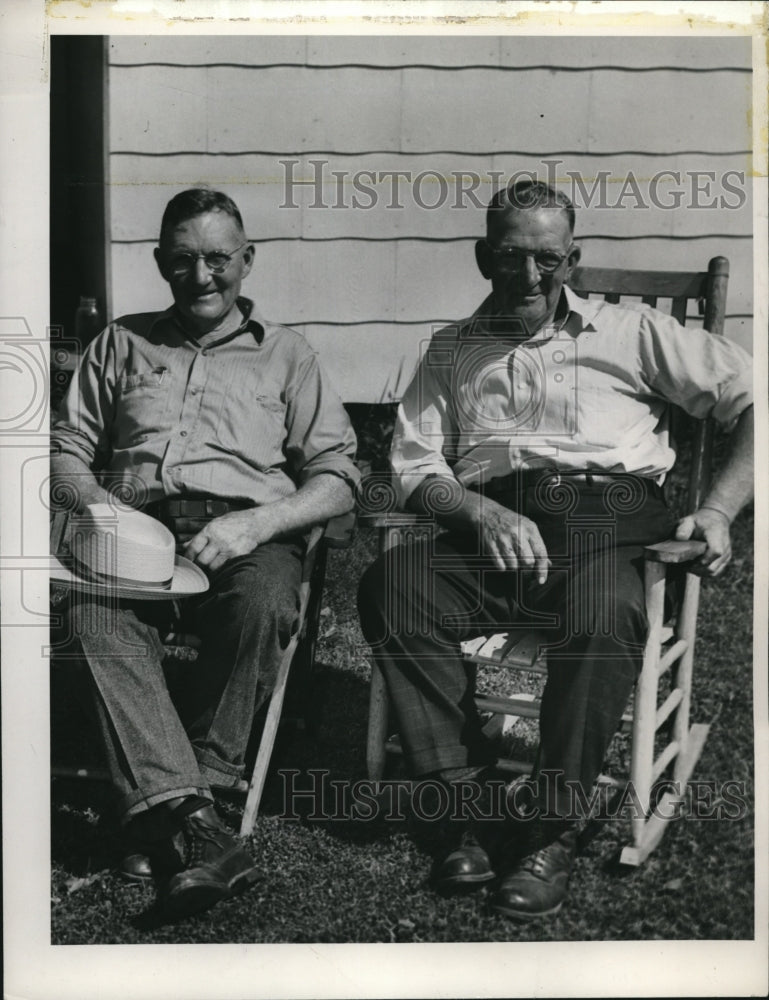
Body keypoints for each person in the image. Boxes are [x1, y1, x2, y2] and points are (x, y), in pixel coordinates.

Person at [357, 180, 753, 921]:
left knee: (603, 612)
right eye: (511, 259)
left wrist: (718, 508)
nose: (530, 277)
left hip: (608, 525)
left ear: (571, 258)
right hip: (491, 533)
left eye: (547, 258)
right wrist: (474, 508)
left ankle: (547, 829)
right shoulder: (451, 350)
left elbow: (754, 393)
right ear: (483, 258)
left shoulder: (630, 333)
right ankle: (461, 811)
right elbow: (412, 467)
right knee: (394, 583)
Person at [51, 188, 359, 920]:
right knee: (95, 617)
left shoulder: (288, 354)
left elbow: (341, 475)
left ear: (246, 261)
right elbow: (67, 449)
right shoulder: (121, 343)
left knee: (262, 600)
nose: (202, 277)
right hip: (133, 528)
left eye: (218, 259)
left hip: (244, 531)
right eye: (183, 260)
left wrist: (261, 525)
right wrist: (96, 508)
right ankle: (198, 818)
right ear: (161, 263)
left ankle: (176, 803)